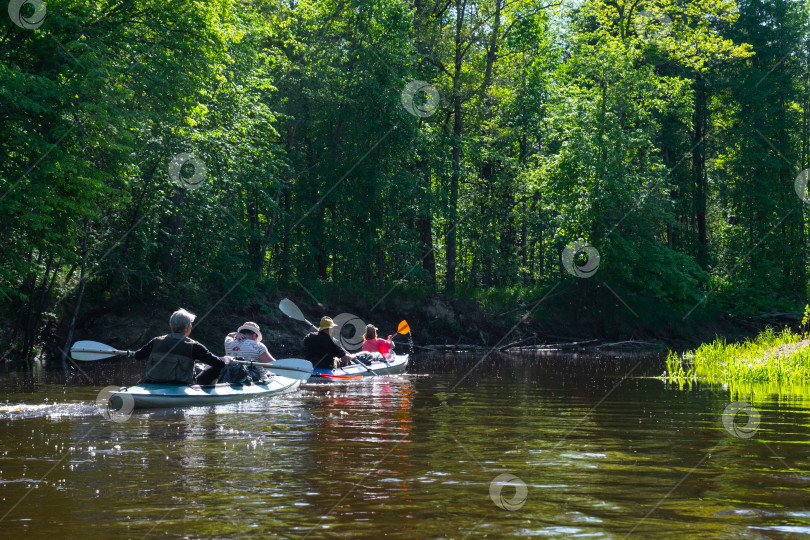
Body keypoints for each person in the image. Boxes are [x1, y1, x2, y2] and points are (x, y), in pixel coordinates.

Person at [131, 308, 233, 385]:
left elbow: (137, 356)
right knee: (214, 368)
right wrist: (227, 359)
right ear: (188, 326)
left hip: (152, 382)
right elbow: (219, 364)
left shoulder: (156, 341)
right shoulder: (194, 346)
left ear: (171, 325)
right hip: (180, 385)